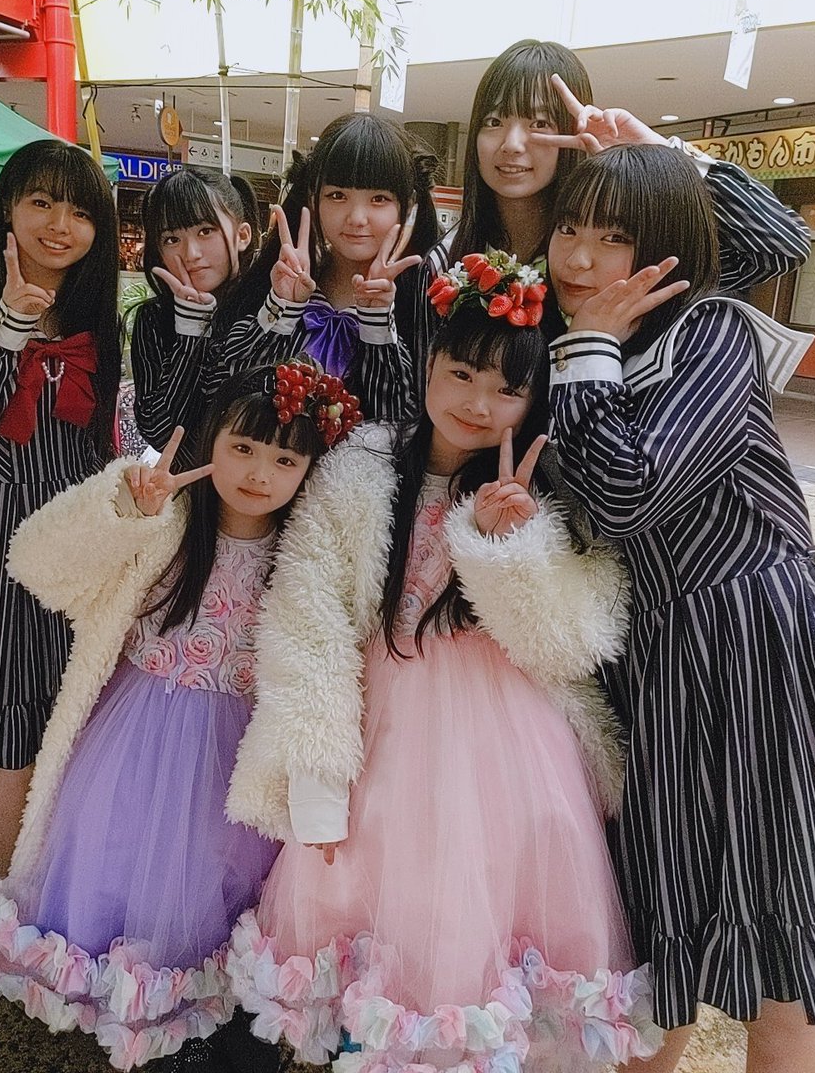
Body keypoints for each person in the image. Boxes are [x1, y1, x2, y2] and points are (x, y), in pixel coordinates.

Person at [225, 263, 662, 1073]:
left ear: (534, 400)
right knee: (378, 904)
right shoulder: (361, 464)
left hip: (507, 735)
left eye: (506, 389)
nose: (477, 402)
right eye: (461, 373)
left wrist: (506, 545)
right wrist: (314, 769)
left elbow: (570, 639)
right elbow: (307, 611)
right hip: (377, 723)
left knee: (478, 904)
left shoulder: (549, 486)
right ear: (428, 364)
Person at [0, 364, 360, 1071]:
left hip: (236, 748)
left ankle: (215, 1021)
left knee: (218, 883)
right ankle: (151, 1020)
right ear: (210, 441)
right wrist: (123, 509)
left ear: (308, 471)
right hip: (138, 732)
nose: (259, 473)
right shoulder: (166, 524)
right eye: (243, 447)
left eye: (285, 459)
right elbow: (40, 564)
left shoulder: (303, 558)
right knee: (129, 871)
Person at [546, 143, 815, 1073]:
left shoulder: (709, 330)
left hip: (748, 632)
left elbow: (628, 491)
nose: (581, 257)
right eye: (570, 228)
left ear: (664, 246)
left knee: (775, 905)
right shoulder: (606, 336)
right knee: (663, 908)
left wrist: (676, 159)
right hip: (665, 645)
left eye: (614, 236)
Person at [398, 38, 810, 395]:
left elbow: (779, 246)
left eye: (539, 122)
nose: (513, 144)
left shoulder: (623, 256)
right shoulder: (446, 265)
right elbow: (423, 393)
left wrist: (658, 152)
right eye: (493, 121)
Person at [0, 139, 120, 876]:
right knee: (16, 735)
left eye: (80, 211)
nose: (59, 225)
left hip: (78, 539)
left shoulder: (94, 315)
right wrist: (6, 325)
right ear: (8, 206)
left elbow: (97, 440)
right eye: (41, 202)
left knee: (65, 718)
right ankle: (14, 909)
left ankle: (46, 893)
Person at [223, 112, 439, 421]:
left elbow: (400, 419)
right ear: (314, 199)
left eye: (379, 199)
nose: (357, 218)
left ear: (408, 205)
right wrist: (283, 306)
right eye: (337, 196)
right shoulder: (286, 284)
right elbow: (234, 388)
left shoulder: (423, 301)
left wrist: (377, 320)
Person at [130, 168, 259, 463]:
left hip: (264, 483)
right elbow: (160, 433)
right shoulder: (153, 319)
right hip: (185, 486)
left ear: (242, 235)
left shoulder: (266, 310)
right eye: (171, 239)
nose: (191, 254)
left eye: (205, 231)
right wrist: (191, 328)